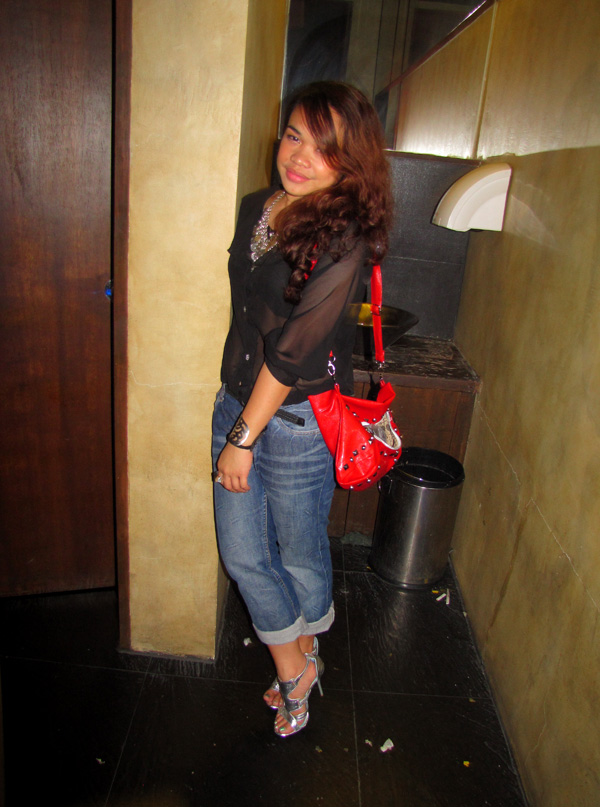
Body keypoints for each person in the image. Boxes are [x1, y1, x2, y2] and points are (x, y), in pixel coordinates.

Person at [212, 81, 392, 737]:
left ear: (350, 162)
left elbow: (290, 354)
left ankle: (305, 650)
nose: (299, 156)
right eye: (294, 135)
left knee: (300, 554)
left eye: (324, 148)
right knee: (243, 554)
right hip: (237, 399)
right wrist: (236, 422)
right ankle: (296, 663)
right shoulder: (256, 207)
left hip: (292, 422)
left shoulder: (342, 239)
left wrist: (242, 438)